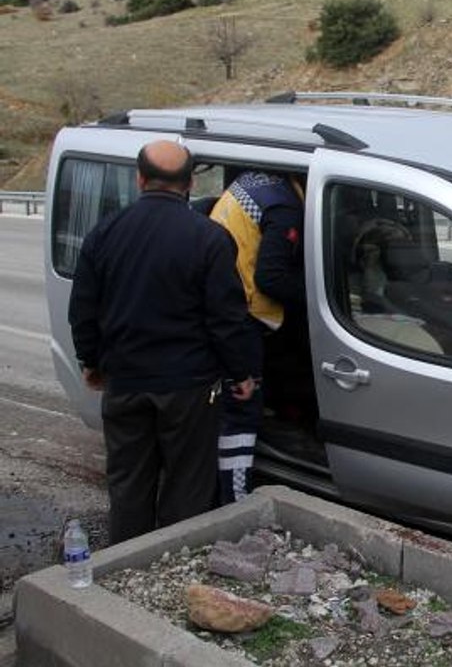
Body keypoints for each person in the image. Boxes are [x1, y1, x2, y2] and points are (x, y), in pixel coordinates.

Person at [68, 141, 259, 544]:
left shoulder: (103, 233)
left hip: (125, 383)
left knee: (128, 483)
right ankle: (173, 561)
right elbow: (226, 319)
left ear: (139, 179)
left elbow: (83, 309)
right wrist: (240, 373)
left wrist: (91, 362)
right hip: (188, 388)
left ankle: (125, 566)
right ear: (191, 182)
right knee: (188, 483)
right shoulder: (210, 238)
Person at [210, 170, 309, 503]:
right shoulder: (285, 208)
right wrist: (320, 297)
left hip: (219, 297)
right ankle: (235, 501)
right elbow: (272, 277)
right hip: (243, 314)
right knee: (241, 411)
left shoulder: (258, 182)